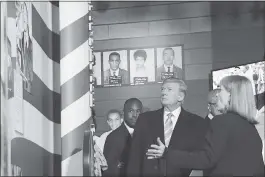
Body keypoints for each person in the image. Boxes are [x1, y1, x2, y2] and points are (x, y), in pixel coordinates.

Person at [147, 75, 264, 176]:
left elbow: (206, 159)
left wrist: (166, 153)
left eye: (220, 90)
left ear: (230, 96)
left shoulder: (222, 122)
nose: (217, 95)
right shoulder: (250, 126)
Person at [126, 77, 208, 177]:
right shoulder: (145, 119)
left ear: (180, 96)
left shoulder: (197, 123)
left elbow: (200, 159)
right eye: (162, 89)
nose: (164, 93)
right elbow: (134, 158)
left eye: (169, 89)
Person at [103, 98, 143, 177]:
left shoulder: (147, 134)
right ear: (123, 112)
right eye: (131, 111)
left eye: (138, 111)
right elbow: (109, 170)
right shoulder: (112, 138)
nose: (135, 115)